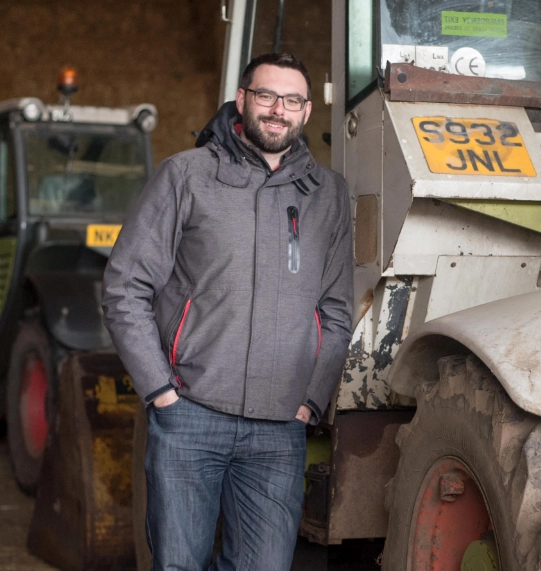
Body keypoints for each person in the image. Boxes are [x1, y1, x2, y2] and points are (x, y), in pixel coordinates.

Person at [102, 52, 353, 571]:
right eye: (265, 96)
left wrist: (309, 399)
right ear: (242, 101)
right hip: (189, 414)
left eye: (291, 100)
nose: (277, 109)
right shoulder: (186, 175)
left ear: (307, 112)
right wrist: (160, 391)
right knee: (178, 564)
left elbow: (336, 309)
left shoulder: (328, 194)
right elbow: (125, 286)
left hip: (280, 427)